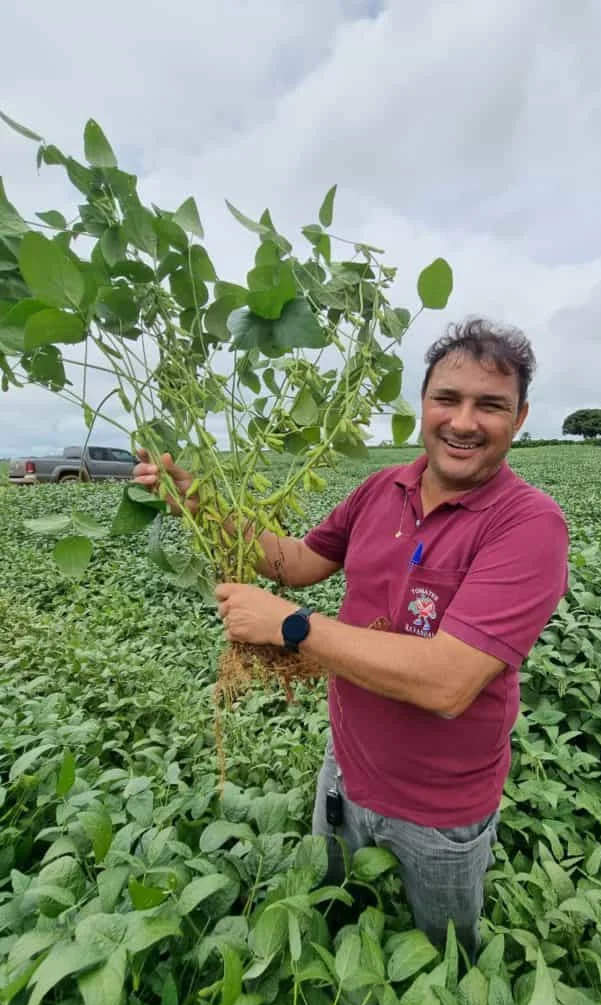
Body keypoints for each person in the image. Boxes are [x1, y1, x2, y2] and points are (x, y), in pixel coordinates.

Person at [134, 318, 569, 958]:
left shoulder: (529, 524)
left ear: (521, 416)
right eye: (448, 399)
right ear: (423, 403)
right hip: (343, 770)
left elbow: (448, 682)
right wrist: (198, 504)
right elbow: (296, 562)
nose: (464, 421)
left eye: (491, 406)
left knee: (447, 952)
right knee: (333, 917)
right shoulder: (379, 488)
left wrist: (291, 626)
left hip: (441, 804)